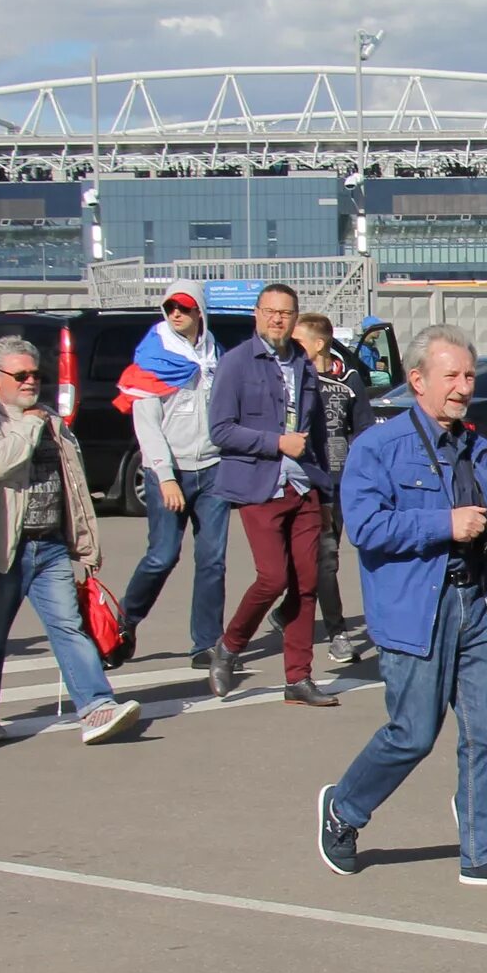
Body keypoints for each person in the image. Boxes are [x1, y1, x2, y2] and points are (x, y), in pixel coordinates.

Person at [320, 328, 487, 887]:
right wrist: (442, 524)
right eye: (452, 376)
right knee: (414, 733)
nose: (463, 386)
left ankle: (483, 850)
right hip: (416, 608)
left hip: (477, 601)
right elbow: (367, 528)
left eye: (469, 375)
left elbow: (478, 520)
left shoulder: (474, 443)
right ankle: (343, 810)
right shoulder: (380, 446)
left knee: (485, 732)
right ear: (417, 380)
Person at [0, 336, 143, 748]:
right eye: (20, 375)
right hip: (1, 547)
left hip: (50, 545)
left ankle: (96, 707)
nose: (30, 382)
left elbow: (74, 486)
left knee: (69, 627)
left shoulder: (50, 421)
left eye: (35, 374)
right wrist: (30, 422)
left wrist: (86, 542)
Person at [207, 283, 337, 707]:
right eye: (270, 312)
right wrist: (276, 442)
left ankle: (298, 678)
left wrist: (326, 483)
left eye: (286, 313)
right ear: (257, 315)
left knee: (306, 583)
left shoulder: (303, 362)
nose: (278, 319)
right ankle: (229, 647)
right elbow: (221, 430)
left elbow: (314, 429)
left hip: (303, 485)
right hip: (259, 485)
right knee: (273, 577)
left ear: (295, 318)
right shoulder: (236, 363)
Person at [118, 287, 230, 672]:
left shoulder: (215, 352)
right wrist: (165, 477)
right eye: (170, 307)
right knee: (162, 555)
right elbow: (146, 426)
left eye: (184, 307)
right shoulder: (153, 356)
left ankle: (206, 643)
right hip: (170, 471)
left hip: (212, 468)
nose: (176, 313)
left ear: (199, 310)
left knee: (212, 559)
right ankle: (124, 623)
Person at [295, 310, 376, 668]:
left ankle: (336, 633)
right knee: (299, 562)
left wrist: (360, 472)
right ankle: (293, 611)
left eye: (299, 341)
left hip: (339, 484)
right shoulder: (294, 377)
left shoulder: (349, 379)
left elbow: (364, 429)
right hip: (302, 479)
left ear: (319, 343)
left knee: (326, 560)